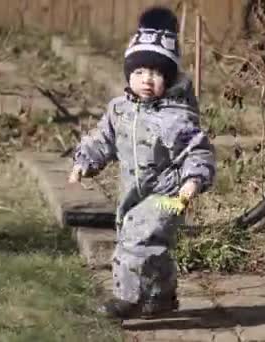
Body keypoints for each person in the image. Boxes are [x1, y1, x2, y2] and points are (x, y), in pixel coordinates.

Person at [68, 6, 216, 320]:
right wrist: (85, 161)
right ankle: (160, 298)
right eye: (139, 72)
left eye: (156, 73)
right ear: (128, 74)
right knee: (151, 245)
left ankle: (128, 298)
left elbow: (198, 151)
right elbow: (103, 138)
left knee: (137, 238)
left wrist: (191, 185)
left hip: (171, 194)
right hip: (133, 194)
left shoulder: (176, 117)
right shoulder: (119, 109)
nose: (146, 80)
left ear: (169, 76)